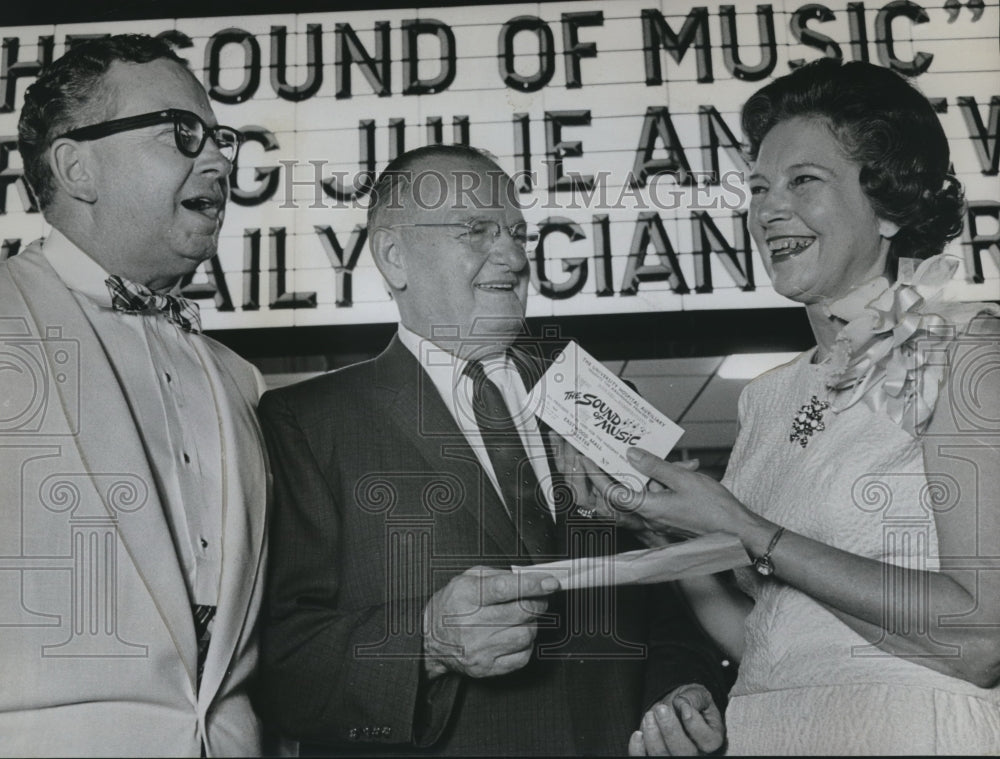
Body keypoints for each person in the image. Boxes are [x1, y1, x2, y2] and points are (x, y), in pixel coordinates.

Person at [256, 144, 731, 755]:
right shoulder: (306, 423)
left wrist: (681, 689)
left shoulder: (601, 397)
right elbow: (281, 665)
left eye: (516, 234)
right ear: (394, 257)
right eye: (475, 230)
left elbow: (670, 599)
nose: (512, 256)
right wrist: (428, 640)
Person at [585, 58, 1000, 755]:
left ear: (892, 203)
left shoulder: (964, 349)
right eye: (758, 187)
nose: (769, 208)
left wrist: (747, 528)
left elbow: (981, 635)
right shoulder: (767, 397)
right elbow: (773, 641)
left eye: (804, 180)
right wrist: (682, 545)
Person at [0, 35, 269, 756]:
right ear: (76, 164)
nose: (217, 160)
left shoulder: (239, 378)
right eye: (182, 133)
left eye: (218, 138)